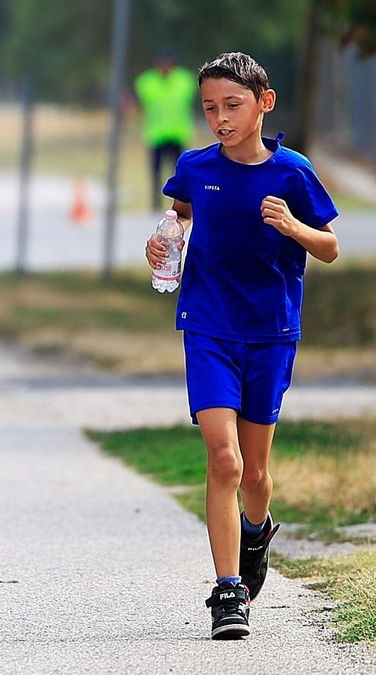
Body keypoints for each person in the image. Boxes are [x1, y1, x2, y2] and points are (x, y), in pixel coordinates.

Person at [145, 52, 339, 640]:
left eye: (232, 106)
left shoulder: (292, 172)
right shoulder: (195, 165)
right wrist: (166, 242)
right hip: (207, 325)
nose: (220, 119)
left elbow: (328, 247)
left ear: (264, 103)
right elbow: (180, 216)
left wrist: (293, 228)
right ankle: (228, 592)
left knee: (255, 472)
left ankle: (257, 530)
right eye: (210, 108)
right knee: (224, 460)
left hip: (271, 331)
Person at [134, 50, 198, 210]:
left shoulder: (184, 80)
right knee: (156, 172)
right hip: (156, 134)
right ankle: (155, 203)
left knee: (179, 172)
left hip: (178, 133)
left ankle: (179, 204)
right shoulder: (147, 82)